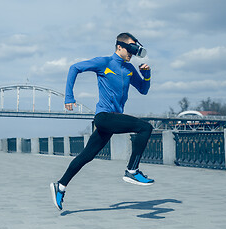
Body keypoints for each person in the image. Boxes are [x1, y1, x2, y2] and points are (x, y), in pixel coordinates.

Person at [50, 32, 154, 211]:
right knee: (145, 128)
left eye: (135, 49)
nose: (132, 53)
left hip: (112, 121)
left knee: (86, 156)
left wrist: (147, 74)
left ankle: (60, 186)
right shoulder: (105, 63)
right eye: (130, 48)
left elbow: (143, 90)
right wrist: (69, 97)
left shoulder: (129, 69)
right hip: (104, 117)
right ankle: (132, 171)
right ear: (119, 46)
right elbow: (74, 68)